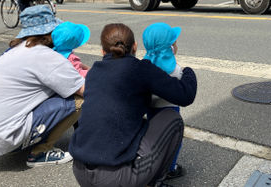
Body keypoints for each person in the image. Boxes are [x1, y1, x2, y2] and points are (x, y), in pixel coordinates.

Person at [69, 23, 197, 187]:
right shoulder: (139, 69)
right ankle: (157, 182)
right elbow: (185, 95)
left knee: (136, 124)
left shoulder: (94, 71)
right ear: (135, 46)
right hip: (115, 178)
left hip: (80, 170)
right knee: (172, 118)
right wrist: (189, 72)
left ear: (102, 51)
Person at [0, 5, 85, 167]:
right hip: (7, 135)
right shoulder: (45, 56)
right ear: (50, 32)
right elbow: (85, 90)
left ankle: (26, 140)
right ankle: (39, 153)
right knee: (79, 100)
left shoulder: (12, 51)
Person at [143, 22, 185, 180]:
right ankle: (170, 168)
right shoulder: (174, 70)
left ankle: (153, 161)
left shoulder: (144, 65)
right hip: (170, 110)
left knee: (153, 135)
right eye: (174, 42)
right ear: (170, 48)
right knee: (174, 139)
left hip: (151, 109)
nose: (176, 45)